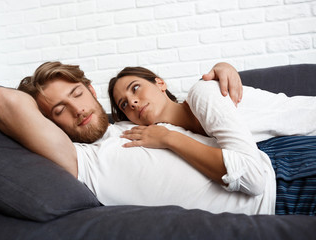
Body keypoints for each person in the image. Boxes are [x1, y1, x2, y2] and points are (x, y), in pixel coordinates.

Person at [0, 61, 270, 216]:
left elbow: (192, 114)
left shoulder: (135, 119)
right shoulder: (79, 159)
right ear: (48, 122)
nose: (78, 110)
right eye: (60, 110)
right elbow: (5, 101)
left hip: (274, 161)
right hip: (271, 198)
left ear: (90, 89)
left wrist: (222, 68)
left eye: (77, 94)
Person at [108, 66, 316, 215]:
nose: (133, 102)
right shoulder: (178, 134)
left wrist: (169, 138)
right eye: (124, 104)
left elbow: (253, 179)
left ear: (160, 83)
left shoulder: (203, 93)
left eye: (135, 88)